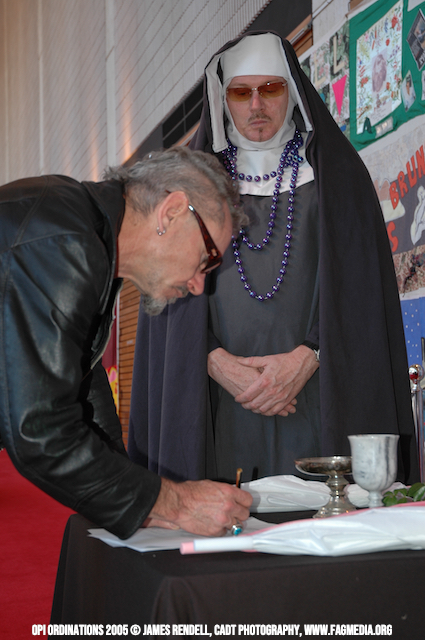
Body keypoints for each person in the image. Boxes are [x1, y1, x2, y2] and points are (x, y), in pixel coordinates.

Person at [129, 32, 419, 485]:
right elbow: (166, 301)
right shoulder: (186, 191)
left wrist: (309, 356)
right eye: (241, 93)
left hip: (320, 394)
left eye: (271, 88)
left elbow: (362, 294)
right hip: (218, 401)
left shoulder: (339, 179)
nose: (256, 105)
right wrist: (213, 361)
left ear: (293, 90)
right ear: (223, 99)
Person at [0, 146, 252, 540]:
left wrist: (143, 501)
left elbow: (82, 384)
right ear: (171, 212)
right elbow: (40, 431)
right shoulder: (64, 241)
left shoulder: (87, 232)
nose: (198, 284)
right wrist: (177, 502)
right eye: (207, 259)